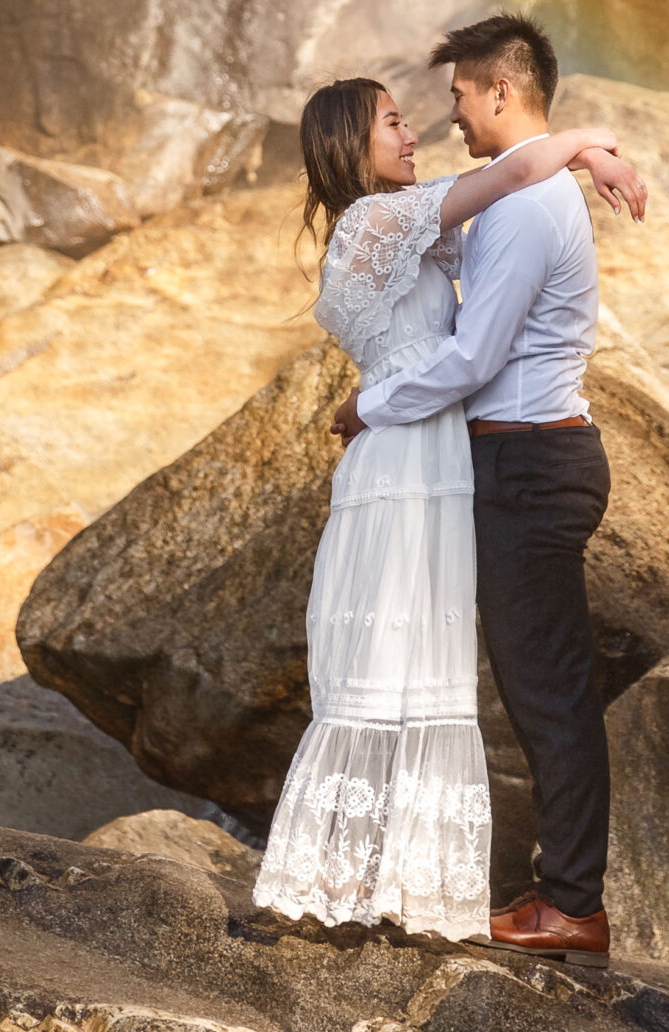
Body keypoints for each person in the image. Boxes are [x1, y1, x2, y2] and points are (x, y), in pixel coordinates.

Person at [252, 73, 643, 942]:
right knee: (396, 648)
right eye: (392, 121)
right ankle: (345, 882)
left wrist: (587, 147)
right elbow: (507, 175)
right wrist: (586, 145)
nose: (414, 130)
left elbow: (503, 209)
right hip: (408, 453)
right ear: (351, 144)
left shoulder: (403, 226)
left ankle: (394, 884)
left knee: (419, 656)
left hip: (426, 451)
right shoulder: (378, 220)